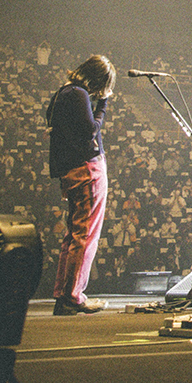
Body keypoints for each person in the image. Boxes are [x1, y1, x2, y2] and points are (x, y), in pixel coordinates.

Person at [47, 54, 115, 314]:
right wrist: (104, 103)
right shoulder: (79, 94)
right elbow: (91, 129)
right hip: (87, 170)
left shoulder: (62, 93)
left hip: (71, 170)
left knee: (74, 234)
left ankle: (64, 293)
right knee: (85, 235)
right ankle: (73, 296)